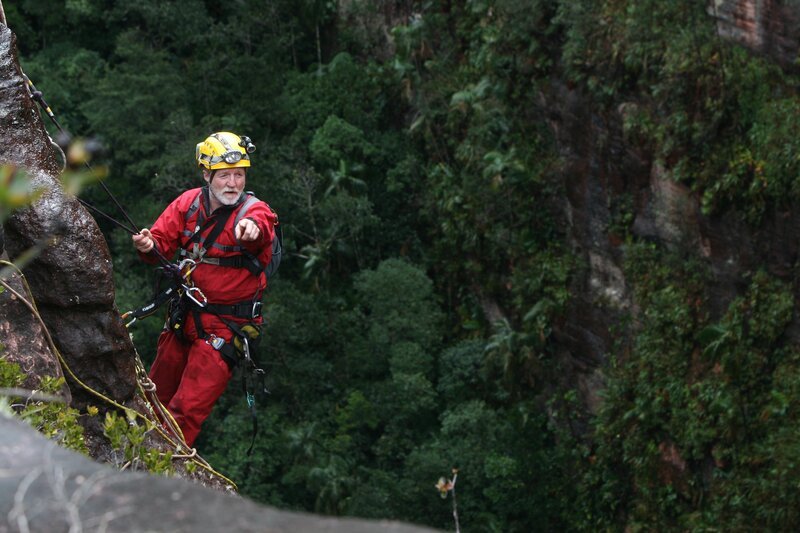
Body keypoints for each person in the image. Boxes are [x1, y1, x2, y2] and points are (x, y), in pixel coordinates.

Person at [132, 131, 277, 447]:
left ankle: (161, 471)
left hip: (225, 328)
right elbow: (159, 245)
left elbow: (261, 225)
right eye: (225, 175)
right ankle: (133, 452)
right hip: (185, 317)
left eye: (238, 175)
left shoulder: (253, 211)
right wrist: (147, 244)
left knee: (185, 411)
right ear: (207, 175)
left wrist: (251, 230)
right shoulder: (188, 204)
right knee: (152, 394)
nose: (232, 183)